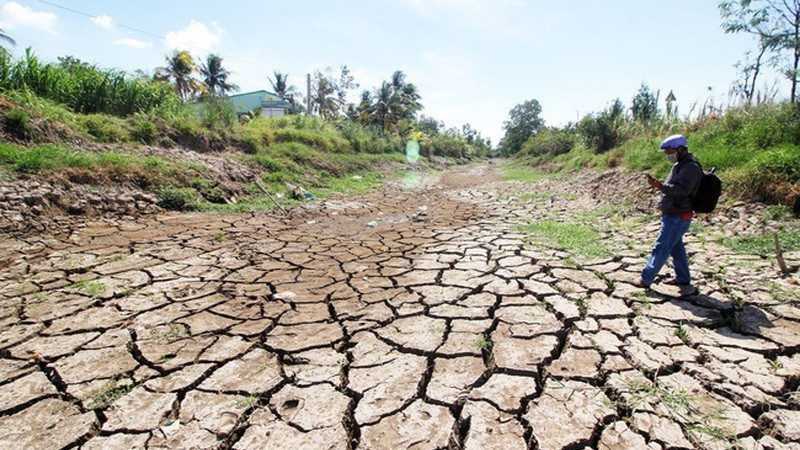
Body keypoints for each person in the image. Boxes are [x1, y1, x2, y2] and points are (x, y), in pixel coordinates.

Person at [632, 134, 702, 290]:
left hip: (678, 215)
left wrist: (659, 186)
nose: (668, 155)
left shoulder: (690, 167)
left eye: (669, 151)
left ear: (681, 149)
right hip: (673, 214)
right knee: (676, 247)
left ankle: (646, 278)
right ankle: (683, 278)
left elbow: (683, 190)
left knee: (661, 247)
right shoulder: (680, 165)